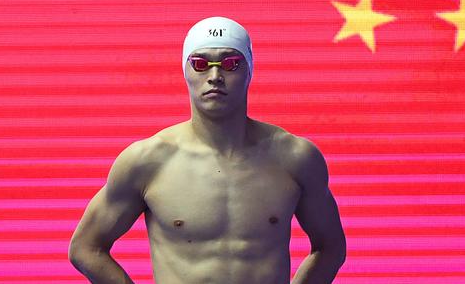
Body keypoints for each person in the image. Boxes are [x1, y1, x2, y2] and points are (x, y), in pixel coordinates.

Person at [68, 17, 346, 283]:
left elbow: (331, 247)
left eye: (230, 63)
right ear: (186, 71)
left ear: (249, 70)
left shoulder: (294, 158)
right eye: (201, 64)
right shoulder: (148, 161)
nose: (215, 76)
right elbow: (86, 247)